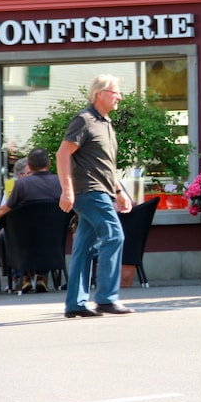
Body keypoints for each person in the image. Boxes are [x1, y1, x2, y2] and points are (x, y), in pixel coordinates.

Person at [57, 74, 134, 318]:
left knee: (84, 247)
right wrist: (67, 189)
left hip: (102, 189)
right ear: (99, 93)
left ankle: (75, 304)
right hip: (89, 191)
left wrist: (120, 192)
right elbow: (62, 154)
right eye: (114, 92)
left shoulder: (106, 123)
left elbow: (104, 165)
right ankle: (106, 298)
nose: (119, 96)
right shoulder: (84, 120)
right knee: (114, 236)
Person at [0, 148, 62, 293]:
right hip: (54, 235)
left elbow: (5, 208)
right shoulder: (60, 182)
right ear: (49, 163)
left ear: (31, 166)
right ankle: (42, 277)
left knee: (11, 236)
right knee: (43, 237)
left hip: (25, 235)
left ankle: (22, 277)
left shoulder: (22, 184)